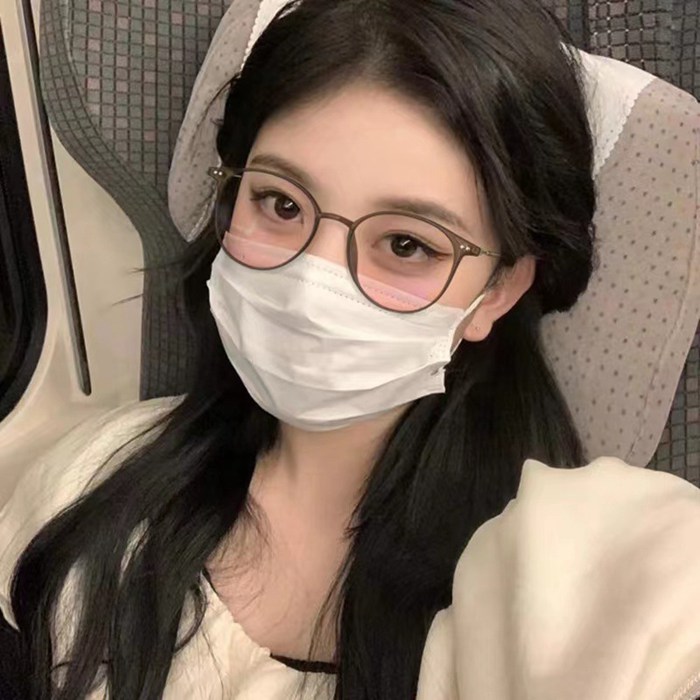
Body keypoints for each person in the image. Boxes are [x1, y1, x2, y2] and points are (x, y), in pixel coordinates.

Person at [1, 0, 700, 698]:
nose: (311, 287)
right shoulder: (92, 477)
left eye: (407, 244)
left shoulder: (563, 578)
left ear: (498, 291)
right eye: (280, 204)